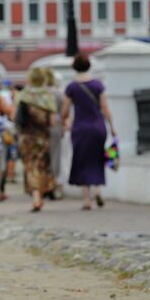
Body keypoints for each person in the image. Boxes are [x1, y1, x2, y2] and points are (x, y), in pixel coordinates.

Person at [61, 54, 117, 210]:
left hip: (80, 128)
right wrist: (112, 127)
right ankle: (98, 190)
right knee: (97, 158)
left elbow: (65, 110)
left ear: (74, 68)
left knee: (81, 160)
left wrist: (63, 121)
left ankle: (87, 199)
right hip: (98, 127)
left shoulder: (71, 87)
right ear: (89, 66)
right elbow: (105, 108)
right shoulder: (98, 85)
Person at [16, 68, 57, 212]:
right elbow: (52, 122)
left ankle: (36, 197)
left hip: (27, 137)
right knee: (42, 165)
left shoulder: (23, 95)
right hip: (43, 137)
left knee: (30, 166)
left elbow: (17, 120)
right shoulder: (48, 96)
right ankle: (40, 194)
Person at [44, 68, 66, 200]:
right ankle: (53, 184)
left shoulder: (40, 94)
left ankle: (44, 185)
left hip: (40, 130)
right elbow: (64, 113)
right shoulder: (58, 94)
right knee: (55, 157)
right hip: (55, 128)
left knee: (43, 157)